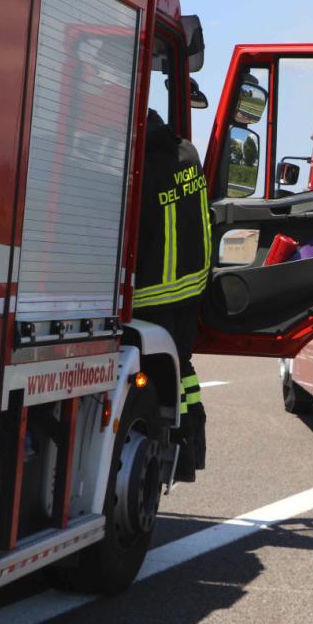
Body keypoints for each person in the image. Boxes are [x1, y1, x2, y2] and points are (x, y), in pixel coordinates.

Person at [133, 108, 212, 481]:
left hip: (150, 297)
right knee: (183, 371)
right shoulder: (188, 153)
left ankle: (174, 448)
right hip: (191, 289)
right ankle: (190, 447)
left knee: (157, 378)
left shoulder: (141, 165)